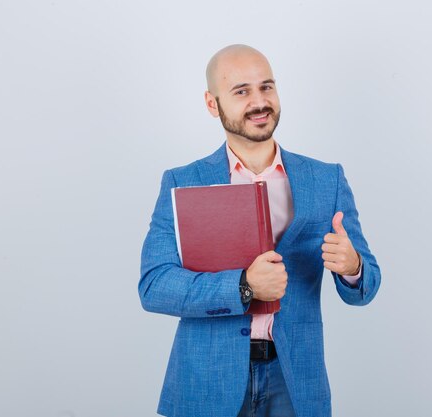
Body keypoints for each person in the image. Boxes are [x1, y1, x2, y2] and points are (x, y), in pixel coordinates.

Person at [139, 44, 381, 417]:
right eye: (241, 91)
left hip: (295, 382)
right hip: (206, 382)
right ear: (211, 103)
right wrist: (244, 286)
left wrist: (353, 268)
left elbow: (366, 288)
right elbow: (154, 286)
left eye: (266, 87)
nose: (259, 101)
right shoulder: (184, 182)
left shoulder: (326, 180)